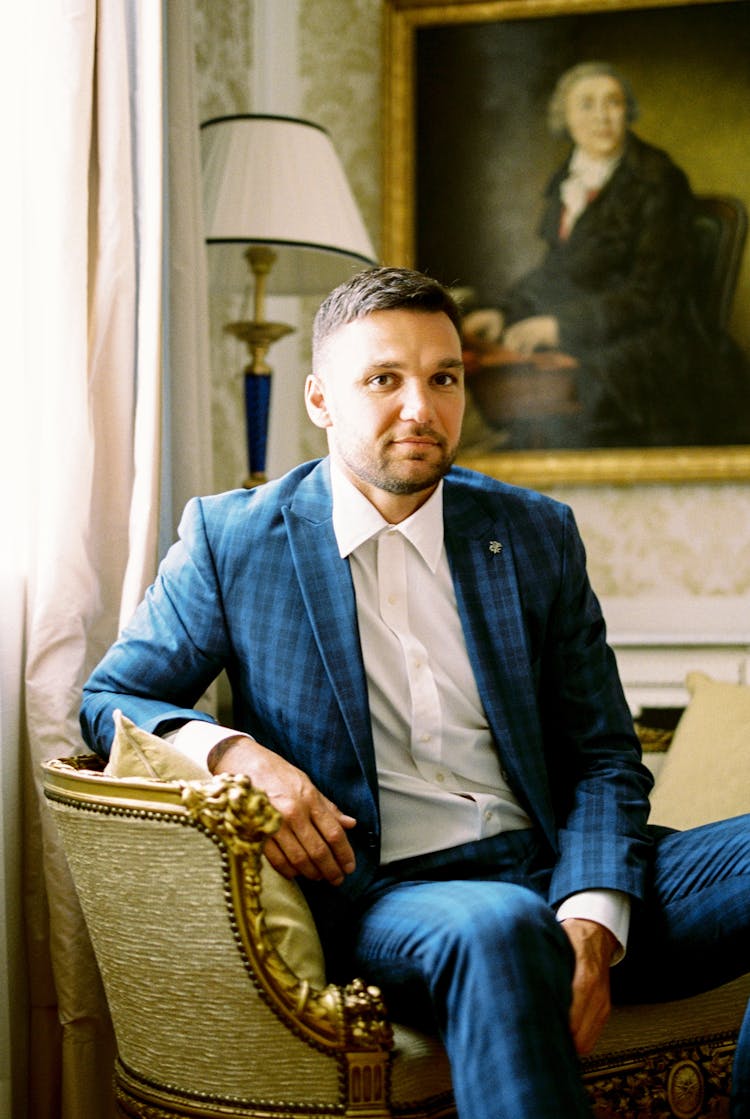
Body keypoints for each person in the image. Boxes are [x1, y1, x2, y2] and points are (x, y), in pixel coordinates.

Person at [80, 267, 749, 1119]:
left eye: (444, 378)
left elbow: (603, 755)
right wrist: (236, 753)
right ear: (320, 398)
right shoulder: (235, 540)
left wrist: (589, 916)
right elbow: (109, 699)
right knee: (500, 924)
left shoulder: (535, 532)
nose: (420, 409)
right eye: (384, 379)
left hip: (556, 866)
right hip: (397, 900)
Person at [463, 61, 748, 448]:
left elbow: (653, 294)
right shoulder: (570, 178)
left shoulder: (658, 180)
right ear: (564, 117)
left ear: (626, 113)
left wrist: (558, 327)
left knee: (562, 412)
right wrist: (504, 312)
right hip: (598, 329)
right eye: (587, 104)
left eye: (612, 103)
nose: (601, 116)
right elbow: (558, 270)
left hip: (654, 338)